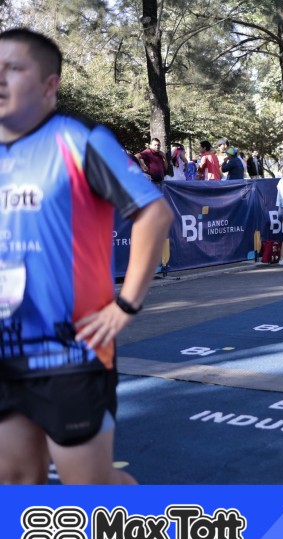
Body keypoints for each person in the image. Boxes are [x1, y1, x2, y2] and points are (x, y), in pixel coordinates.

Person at [0, 28, 172, 484]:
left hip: (70, 353)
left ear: (49, 85)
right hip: (5, 351)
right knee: (14, 483)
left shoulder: (78, 140)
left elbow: (154, 214)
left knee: (90, 492)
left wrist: (125, 305)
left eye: (13, 68)